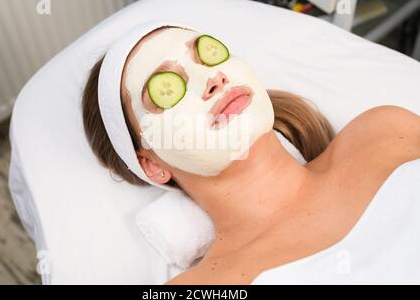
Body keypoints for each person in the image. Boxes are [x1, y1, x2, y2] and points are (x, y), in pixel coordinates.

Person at [82, 25, 420, 284]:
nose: (213, 78)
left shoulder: (382, 131)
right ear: (152, 164)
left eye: (208, 54)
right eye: (166, 87)